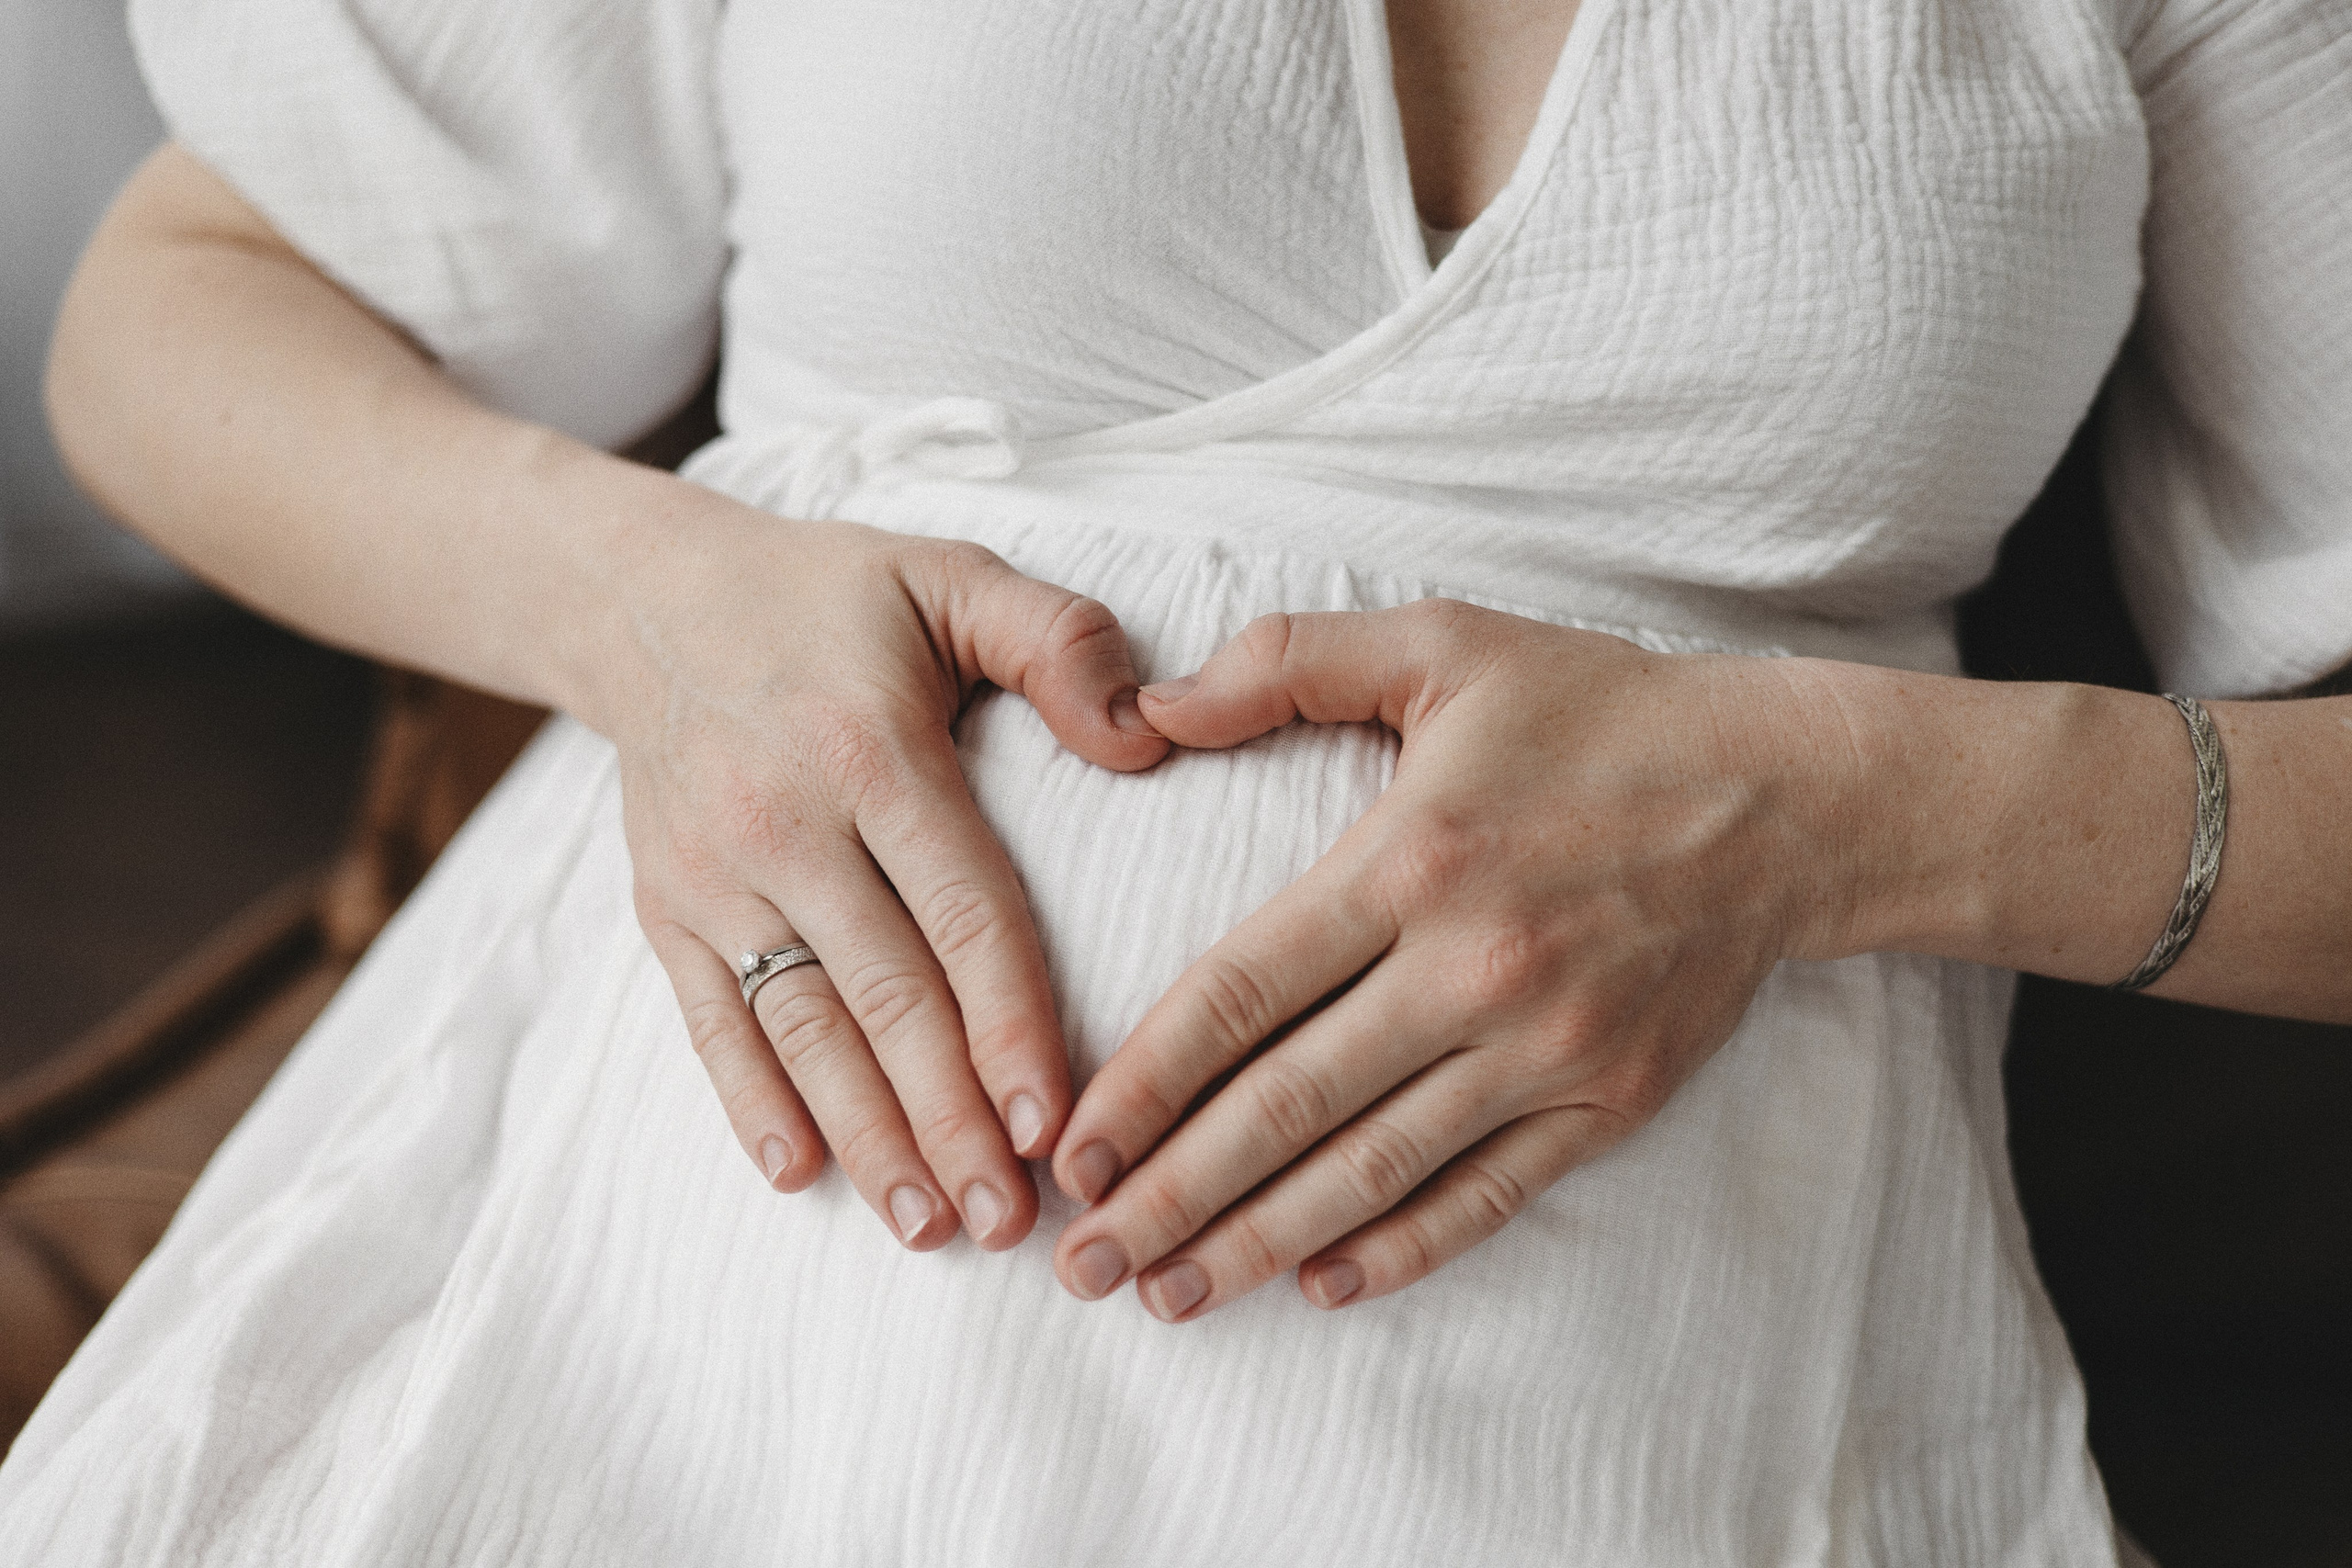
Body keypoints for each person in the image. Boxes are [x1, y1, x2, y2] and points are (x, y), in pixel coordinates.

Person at [4, 0, 2348, 1561]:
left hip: (1661, 1458)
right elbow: (186, 299)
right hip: (647, 1383)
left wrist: (1838, 802)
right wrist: (650, 608)